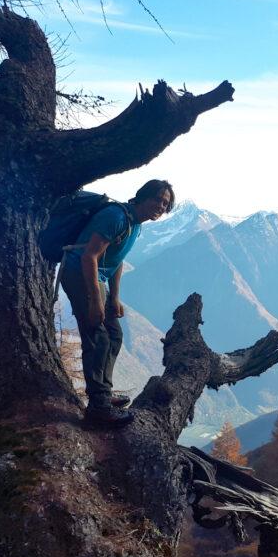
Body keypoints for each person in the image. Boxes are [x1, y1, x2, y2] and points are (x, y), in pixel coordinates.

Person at [61, 179, 174, 426]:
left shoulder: (136, 224)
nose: (160, 206)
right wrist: (94, 300)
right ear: (142, 196)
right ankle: (98, 407)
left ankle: (104, 392)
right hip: (79, 273)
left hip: (98, 276)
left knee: (114, 335)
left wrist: (114, 297)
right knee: (97, 336)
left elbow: (116, 259)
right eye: (157, 199)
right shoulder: (117, 217)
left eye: (165, 204)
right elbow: (89, 257)